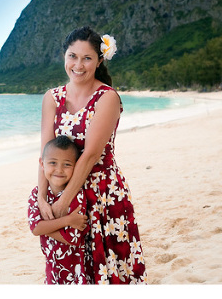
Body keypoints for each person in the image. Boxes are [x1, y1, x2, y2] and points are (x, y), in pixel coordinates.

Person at [37, 26, 147, 284]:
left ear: (99, 61)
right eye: (72, 56)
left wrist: (63, 201)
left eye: (87, 58)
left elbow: (90, 155)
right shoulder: (52, 98)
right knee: (69, 265)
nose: (78, 64)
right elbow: (45, 156)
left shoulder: (106, 98)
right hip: (62, 187)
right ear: (64, 56)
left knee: (111, 266)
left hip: (102, 192)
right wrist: (43, 198)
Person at [27, 135, 89, 284]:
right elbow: (35, 229)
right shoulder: (37, 195)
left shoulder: (77, 195)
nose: (59, 170)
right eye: (53, 163)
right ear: (42, 164)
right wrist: (67, 220)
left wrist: (43, 226)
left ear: (76, 166)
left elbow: (72, 238)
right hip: (52, 265)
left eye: (67, 164)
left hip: (76, 269)